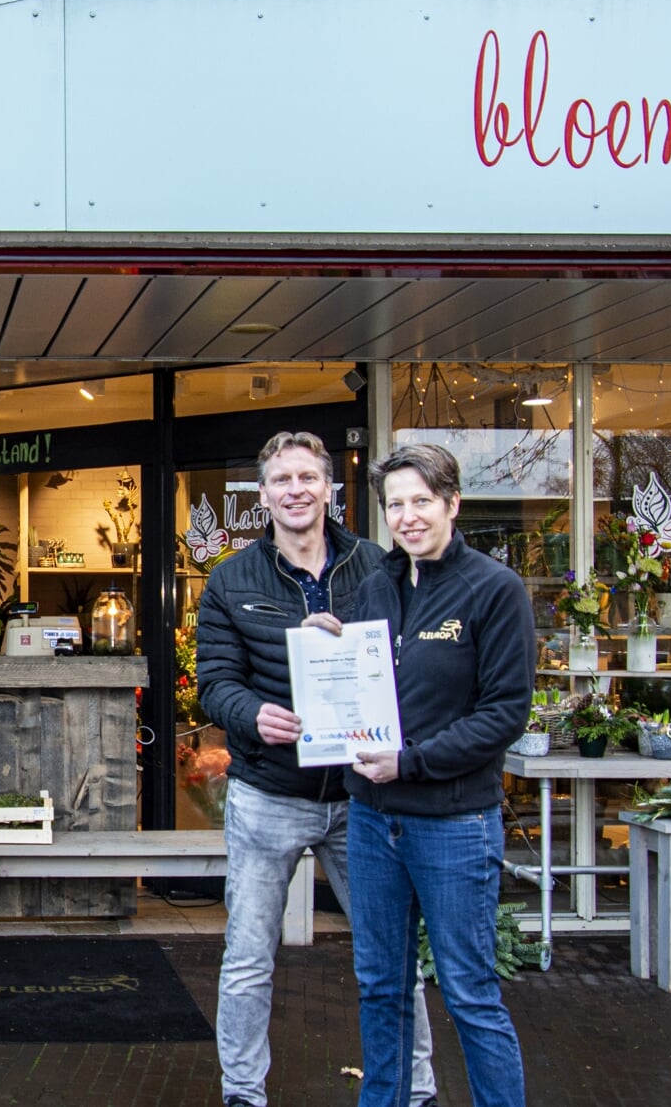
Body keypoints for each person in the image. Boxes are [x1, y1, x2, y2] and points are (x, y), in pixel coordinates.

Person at [195, 431, 438, 1107]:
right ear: (263, 493)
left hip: (365, 793)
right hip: (269, 792)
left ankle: (416, 1091)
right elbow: (214, 682)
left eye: (307, 477)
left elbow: (415, 663)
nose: (295, 490)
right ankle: (243, 1094)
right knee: (247, 960)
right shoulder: (230, 579)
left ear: (330, 486)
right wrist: (251, 715)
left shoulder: (379, 567)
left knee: (391, 956)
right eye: (281, 479)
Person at [335, 442, 533, 1107]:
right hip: (373, 822)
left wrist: (410, 762)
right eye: (396, 504)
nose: (408, 516)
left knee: (470, 993)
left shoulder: (494, 590)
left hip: (453, 823)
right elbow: (360, 694)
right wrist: (328, 658)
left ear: (452, 503)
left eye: (422, 501)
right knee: (380, 989)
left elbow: (503, 713)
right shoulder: (374, 590)